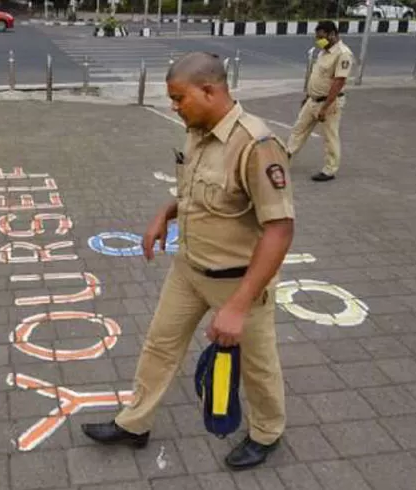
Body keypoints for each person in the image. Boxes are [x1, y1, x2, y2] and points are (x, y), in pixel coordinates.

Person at [81, 51, 295, 471]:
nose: (174, 107)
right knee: (159, 346)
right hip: (188, 268)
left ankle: (266, 433)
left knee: (257, 366)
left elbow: (280, 230)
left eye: (179, 98)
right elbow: (197, 192)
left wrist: (236, 306)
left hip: (238, 282)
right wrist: (165, 213)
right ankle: (135, 424)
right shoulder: (198, 130)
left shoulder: (257, 145)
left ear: (210, 90)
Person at [287, 20, 354, 182]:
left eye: (322, 37)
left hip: (329, 103)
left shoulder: (343, 54)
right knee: (298, 129)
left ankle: (330, 169)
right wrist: (308, 96)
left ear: (332, 34)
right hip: (313, 100)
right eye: (317, 38)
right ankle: (285, 159)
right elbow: (317, 76)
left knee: (330, 136)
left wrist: (325, 107)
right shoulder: (323, 51)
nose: (319, 41)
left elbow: (339, 82)